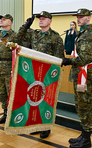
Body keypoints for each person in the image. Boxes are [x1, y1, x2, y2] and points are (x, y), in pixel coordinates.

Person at [17, 11, 64, 139]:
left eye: (44, 18)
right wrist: (26, 25)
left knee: (46, 101)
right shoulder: (34, 34)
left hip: (48, 75)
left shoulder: (56, 37)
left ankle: (46, 127)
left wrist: (53, 76)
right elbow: (18, 38)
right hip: (34, 72)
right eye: (40, 18)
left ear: (50, 21)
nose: (41, 20)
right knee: (35, 100)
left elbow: (59, 58)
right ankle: (37, 125)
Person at [62, 8, 92, 148]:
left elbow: (84, 58)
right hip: (79, 74)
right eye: (77, 16)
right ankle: (83, 135)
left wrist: (68, 61)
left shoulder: (89, 34)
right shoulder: (82, 33)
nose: (78, 19)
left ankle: (87, 138)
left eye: (81, 16)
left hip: (85, 75)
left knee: (84, 106)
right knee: (80, 105)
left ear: (88, 18)